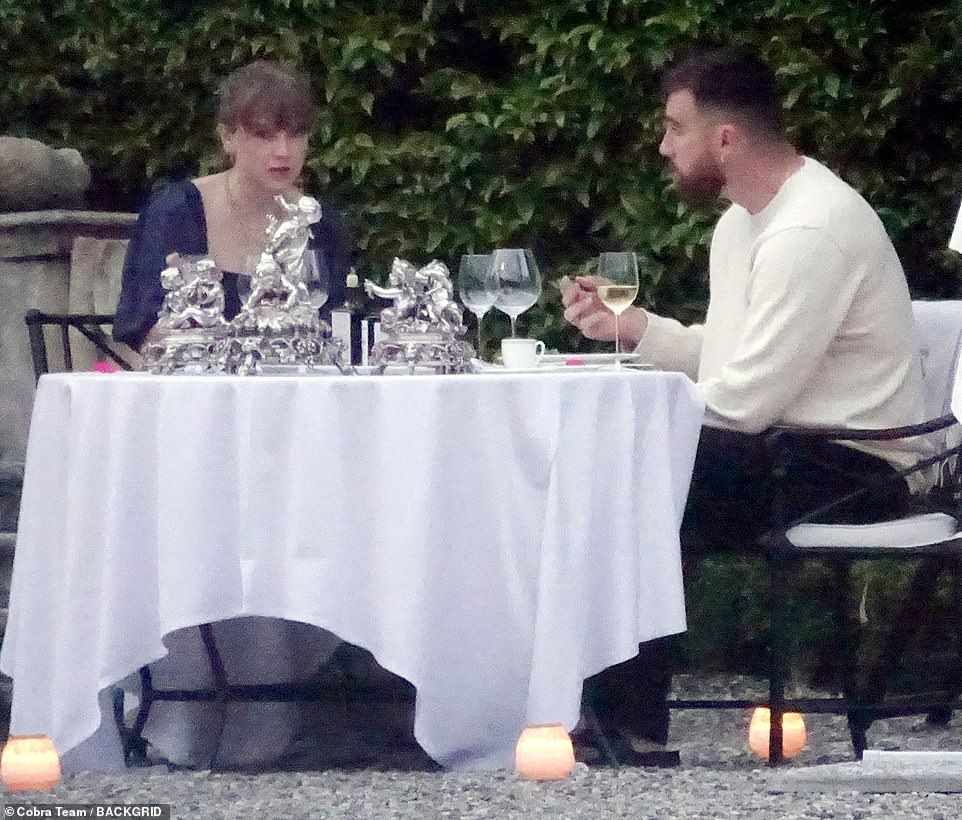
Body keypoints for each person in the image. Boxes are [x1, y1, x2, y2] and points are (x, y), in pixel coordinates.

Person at [563, 48, 928, 766]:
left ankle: (620, 723)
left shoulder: (808, 230)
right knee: (628, 463)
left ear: (724, 138)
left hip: (863, 470)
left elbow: (742, 404)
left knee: (641, 472)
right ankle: (606, 716)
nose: (664, 146)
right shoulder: (743, 221)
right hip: (793, 446)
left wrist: (635, 426)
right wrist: (637, 332)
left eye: (675, 128)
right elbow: (732, 361)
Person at [113, 60, 352, 352]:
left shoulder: (318, 221)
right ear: (228, 137)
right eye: (264, 135)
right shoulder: (179, 211)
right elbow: (143, 327)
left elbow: (336, 327)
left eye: (296, 134)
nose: (283, 151)